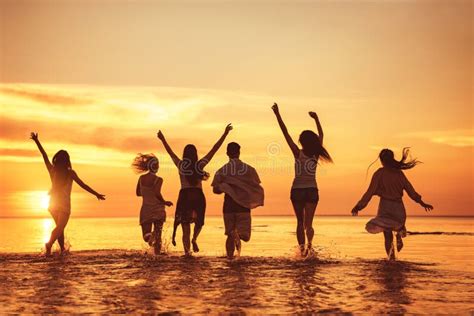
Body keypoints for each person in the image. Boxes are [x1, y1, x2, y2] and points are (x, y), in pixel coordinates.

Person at [157, 124, 233, 256]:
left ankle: (187, 253)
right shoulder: (199, 165)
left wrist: (163, 140)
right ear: (195, 154)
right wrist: (225, 134)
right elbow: (213, 150)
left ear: (185, 155)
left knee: (185, 227)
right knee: (199, 222)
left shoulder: (181, 165)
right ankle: (194, 239)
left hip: (185, 195)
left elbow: (170, 153)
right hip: (197, 195)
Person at [271, 103, 332, 256]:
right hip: (312, 190)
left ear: (302, 142)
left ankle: (302, 250)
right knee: (309, 224)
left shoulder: (297, 153)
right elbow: (321, 136)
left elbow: (285, 133)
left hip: (297, 190)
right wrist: (317, 119)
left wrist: (278, 114)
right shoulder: (315, 154)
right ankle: (310, 246)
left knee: (299, 222)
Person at [30, 132, 105, 256]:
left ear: (56, 159)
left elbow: (44, 155)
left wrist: (37, 141)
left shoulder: (52, 170)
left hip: (52, 204)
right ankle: (49, 244)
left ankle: (62, 250)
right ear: (67, 161)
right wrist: (96, 194)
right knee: (60, 227)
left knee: (60, 228)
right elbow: (83, 184)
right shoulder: (70, 172)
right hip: (64, 205)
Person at [351, 148, 434, 260]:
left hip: (385, 207)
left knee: (387, 235)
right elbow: (411, 191)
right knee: (397, 225)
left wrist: (359, 206)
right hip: (398, 208)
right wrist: (422, 203)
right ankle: (399, 234)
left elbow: (369, 192)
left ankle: (392, 259)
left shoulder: (379, 173)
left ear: (381, 160)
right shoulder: (399, 174)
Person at [212, 142, 264, 259]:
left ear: (227, 153)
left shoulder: (222, 170)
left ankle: (230, 259)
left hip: (228, 206)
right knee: (245, 236)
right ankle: (237, 250)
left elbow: (215, 189)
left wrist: (225, 187)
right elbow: (255, 185)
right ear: (239, 152)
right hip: (243, 206)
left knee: (230, 234)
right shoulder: (249, 169)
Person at [132, 153, 173, 255]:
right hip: (158, 209)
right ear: (155, 167)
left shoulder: (141, 179)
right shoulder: (158, 179)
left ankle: (152, 240)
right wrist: (164, 202)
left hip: (146, 209)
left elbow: (138, 193)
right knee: (158, 236)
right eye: (157, 165)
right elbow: (157, 193)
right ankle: (158, 255)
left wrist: (146, 192)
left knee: (146, 236)